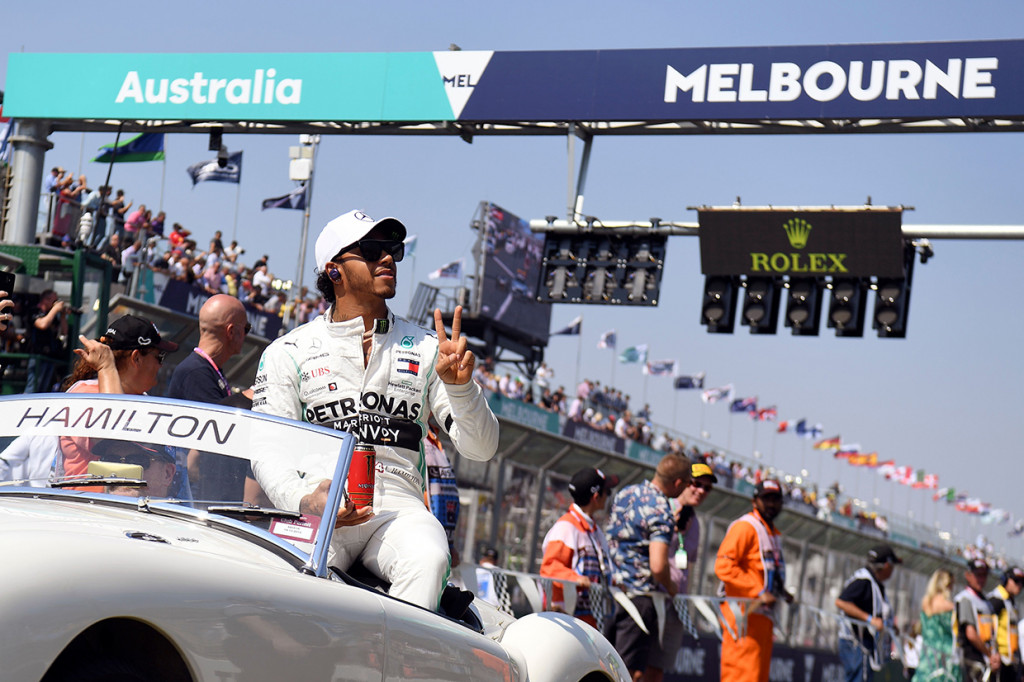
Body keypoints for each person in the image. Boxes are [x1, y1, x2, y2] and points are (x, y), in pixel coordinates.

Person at [252, 209, 499, 611]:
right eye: (371, 250)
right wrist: (305, 500)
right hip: (319, 505)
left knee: (429, 559)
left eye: (392, 250)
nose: (387, 259)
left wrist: (461, 388)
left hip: (398, 509)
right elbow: (267, 448)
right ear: (334, 271)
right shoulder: (287, 351)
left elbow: (481, 449)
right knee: (283, 581)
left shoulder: (428, 348)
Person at [57, 314, 180, 483]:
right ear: (136, 358)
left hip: (130, 505)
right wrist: (106, 367)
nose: (161, 365)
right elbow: (112, 437)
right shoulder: (84, 394)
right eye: (159, 357)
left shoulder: (142, 399)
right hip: (88, 505)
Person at [605, 452, 691, 682]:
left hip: (609, 591)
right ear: (678, 483)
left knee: (601, 663)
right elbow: (658, 565)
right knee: (626, 672)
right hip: (639, 599)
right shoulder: (662, 509)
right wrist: (671, 587)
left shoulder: (626, 493)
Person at [715, 478, 794, 682]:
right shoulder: (745, 527)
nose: (771, 504)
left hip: (762, 618)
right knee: (740, 676)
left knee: (757, 676)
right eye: (766, 499)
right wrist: (758, 591)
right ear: (754, 501)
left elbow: (761, 569)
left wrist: (781, 592)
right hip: (742, 616)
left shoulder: (771, 533)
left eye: (776, 499)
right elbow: (724, 566)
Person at [540, 466, 618, 627]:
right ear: (596, 497)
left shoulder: (594, 530)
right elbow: (549, 567)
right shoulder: (567, 526)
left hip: (590, 621)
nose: (607, 497)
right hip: (565, 623)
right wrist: (575, 579)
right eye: (607, 492)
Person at [835, 544, 902, 682]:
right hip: (856, 643)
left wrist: (889, 626)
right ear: (886, 565)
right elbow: (841, 602)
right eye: (892, 566)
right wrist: (870, 619)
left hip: (863, 644)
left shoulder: (874, 582)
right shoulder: (864, 580)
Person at [168, 294, 248, 403]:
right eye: (246, 328)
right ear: (231, 331)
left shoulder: (203, 369)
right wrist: (247, 398)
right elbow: (218, 418)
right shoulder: (196, 373)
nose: (245, 335)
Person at [954, 558, 1001, 682]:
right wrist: (990, 655)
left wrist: (995, 655)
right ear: (968, 575)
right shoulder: (965, 599)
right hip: (972, 662)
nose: (981, 579)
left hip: (987, 662)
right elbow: (971, 634)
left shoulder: (987, 602)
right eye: (977, 575)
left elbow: (993, 633)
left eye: (984, 575)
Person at [424, 420, 461, 566]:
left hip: (438, 539)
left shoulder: (432, 436)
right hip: (423, 534)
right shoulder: (416, 434)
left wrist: (449, 544)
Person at [94, 439, 177, 498]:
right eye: (111, 461)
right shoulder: (86, 517)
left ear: (167, 474)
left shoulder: (182, 521)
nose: (122, 471)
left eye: (137, 461)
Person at [24, 289, 69, 393]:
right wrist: (55, 309)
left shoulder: (52, 316)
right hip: (36, 354)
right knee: (33, 387)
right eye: (54, 300)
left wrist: (62, 316)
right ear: (45, 300)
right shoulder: (34, 311)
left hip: (49, 355)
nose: (55, 303)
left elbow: (64, 332)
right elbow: (42, 324)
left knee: (43, 390)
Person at [916, 568, 957, 682]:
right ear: (947, 584)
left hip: (927, 654)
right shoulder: (949, 606)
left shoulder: (926, 602)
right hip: (945, 655)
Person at [987, 566, 1023, 681]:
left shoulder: (1011, 603)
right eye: (1016, 580)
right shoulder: (996, 600)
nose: (1020, 585)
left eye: (1022, 582)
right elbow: (988, 629)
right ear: (1005, 579)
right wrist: (993, 652)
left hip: (1011, 662)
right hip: (998, 661)